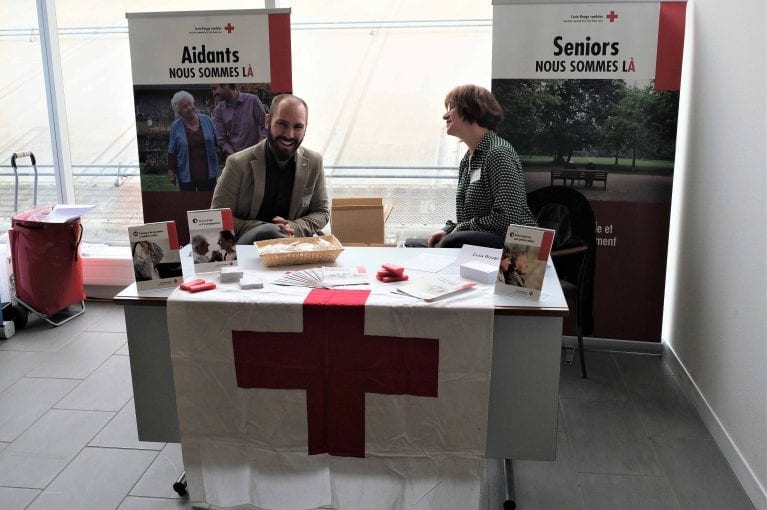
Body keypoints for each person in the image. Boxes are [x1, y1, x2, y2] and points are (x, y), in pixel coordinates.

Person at [427, 84, 537, 249]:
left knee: (450, 242)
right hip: (484, 247)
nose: (445, 115)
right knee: (418, 243)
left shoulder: (498, 154)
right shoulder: (468, 159)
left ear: (472, 109)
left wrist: (457, 231)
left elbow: (508, 219)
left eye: (451, 107)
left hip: (516, 251)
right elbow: (472, 219)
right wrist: (449, 229)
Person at [211, 94, 329, 245]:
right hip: (248, 249)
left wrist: (293, 227)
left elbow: (322, 212)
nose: (289, 134)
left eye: (298, 127)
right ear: (268, 121)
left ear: (306, 128)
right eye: (282, 124)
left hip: (293, 249)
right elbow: (218, 217)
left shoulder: (314, 162)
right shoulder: (237, 164)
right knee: (270, 231)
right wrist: (266, 229)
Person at [167, 90, 219, 191]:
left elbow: (218, 140)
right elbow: (172, 151)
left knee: (208, 202)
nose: (190, 108)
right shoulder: (175, 127)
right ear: (179, 111)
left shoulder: (207, 120)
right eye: (185, 107)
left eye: (190, 104)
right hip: (186, 173)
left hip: (208, 172)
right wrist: (171, 171)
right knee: (189, 203)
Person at [211, 84, 269, 158]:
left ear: (225, 85)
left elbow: (266, 126)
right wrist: (234, 156)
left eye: (215, 88)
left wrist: (258, 148)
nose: (214, 93)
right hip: (235, 158)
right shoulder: (219, 110)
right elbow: (221, 139)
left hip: (257, 156)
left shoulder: (252, 100)